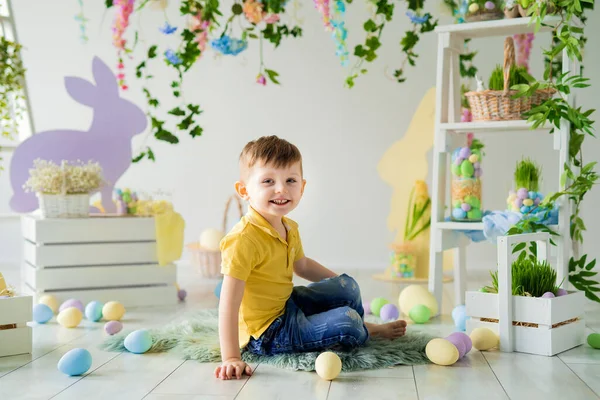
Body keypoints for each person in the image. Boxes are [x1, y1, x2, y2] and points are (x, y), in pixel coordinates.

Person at [215, 136, 407, 380]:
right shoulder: (242, 239)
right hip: (266, 332)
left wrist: (340, 288)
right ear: (244, 191)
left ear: (302, 187)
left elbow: (302, 266)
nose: (281, 189)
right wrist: (231, 357)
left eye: (290, 180)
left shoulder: (289, 227)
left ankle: (356, 321)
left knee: (349, 285)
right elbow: (228, 305)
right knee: (346, 323)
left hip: (287, 305)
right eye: (268, 181)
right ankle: (366, 330)